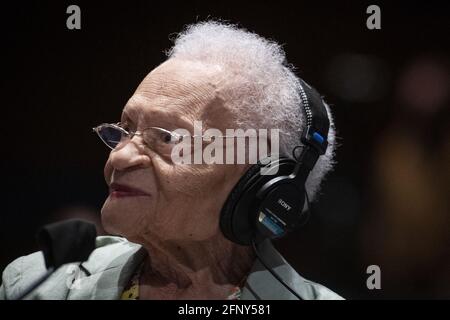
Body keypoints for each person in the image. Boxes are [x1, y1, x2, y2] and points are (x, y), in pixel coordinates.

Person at [0, 21, 342, 300]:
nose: (120, 155)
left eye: (167, 138)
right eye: (125, 129)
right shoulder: (39, 283)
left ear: (258, 183)